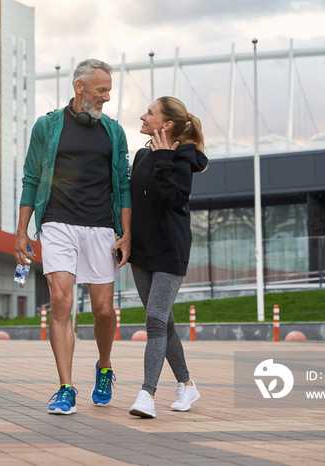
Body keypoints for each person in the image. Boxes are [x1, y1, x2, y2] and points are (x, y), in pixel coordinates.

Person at [15, 58, 132, 415]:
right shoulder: (47, 127)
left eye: (109, 91)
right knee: (61, 301)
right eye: (101, 91)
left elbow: (123, 185)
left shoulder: (113, 131)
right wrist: (22, 231)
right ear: (79, 88)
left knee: (102, 309)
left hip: (99, 225)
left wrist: (126, 233)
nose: (107, 98)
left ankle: (104, 365)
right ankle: (65, 387)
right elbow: (31, 179)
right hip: (57, 222)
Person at [127, 96, 208, 418]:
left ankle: (147, 393)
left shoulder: (184, 156)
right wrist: (126, 236)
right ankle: (187, 385)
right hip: (142, 250)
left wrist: (164, 157)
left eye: (150, 112)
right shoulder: (142, 155)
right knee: (165, 323)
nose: (142, 115)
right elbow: (135, 200)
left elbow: (173, 198)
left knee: (155, 321)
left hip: (171, 250)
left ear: (167, 124)